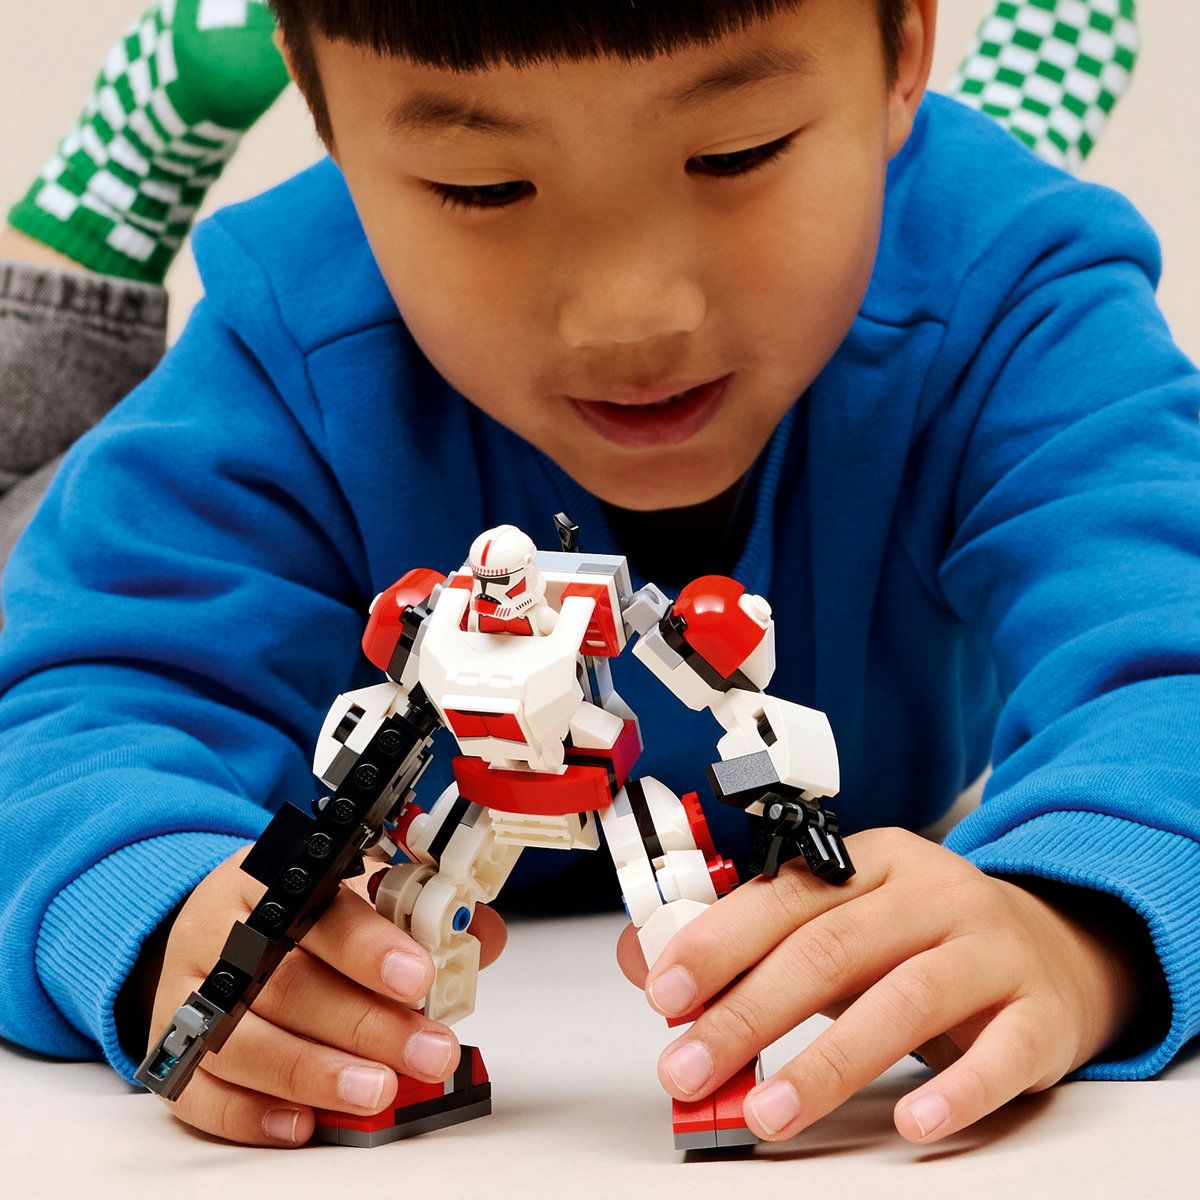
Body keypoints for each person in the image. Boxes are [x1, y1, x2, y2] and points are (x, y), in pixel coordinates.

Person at [2, 0, 1191, 1155]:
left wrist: (1080, 922)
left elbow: (1168, 650)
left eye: (738, 153)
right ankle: (134, 153)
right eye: (483, 186)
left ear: (903, 51)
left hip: (937, 224)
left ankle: (987, 109)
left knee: (948, 212)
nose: (633, 315)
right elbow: (77, 703)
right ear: (328, 122)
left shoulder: (1012, 287)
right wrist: (154, 911)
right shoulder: (292, 331)